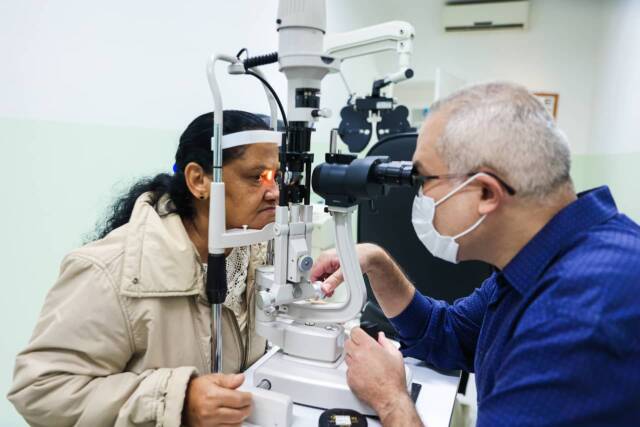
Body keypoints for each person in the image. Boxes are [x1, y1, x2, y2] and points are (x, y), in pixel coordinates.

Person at [312, 82, 640, 426]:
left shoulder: (578, 314)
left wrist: (391, 398)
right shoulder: (540, 262)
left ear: (485, 191)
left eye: (424, 179)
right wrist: (376, 262)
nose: (419, 196)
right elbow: (444, 333)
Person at [8, 110, 281, 427]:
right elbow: (40, 391)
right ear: (199, 180)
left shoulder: (254, 252)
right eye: (256, 177)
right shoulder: (111, 270)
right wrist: (177, 401)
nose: (274, 192)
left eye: (278, 176)